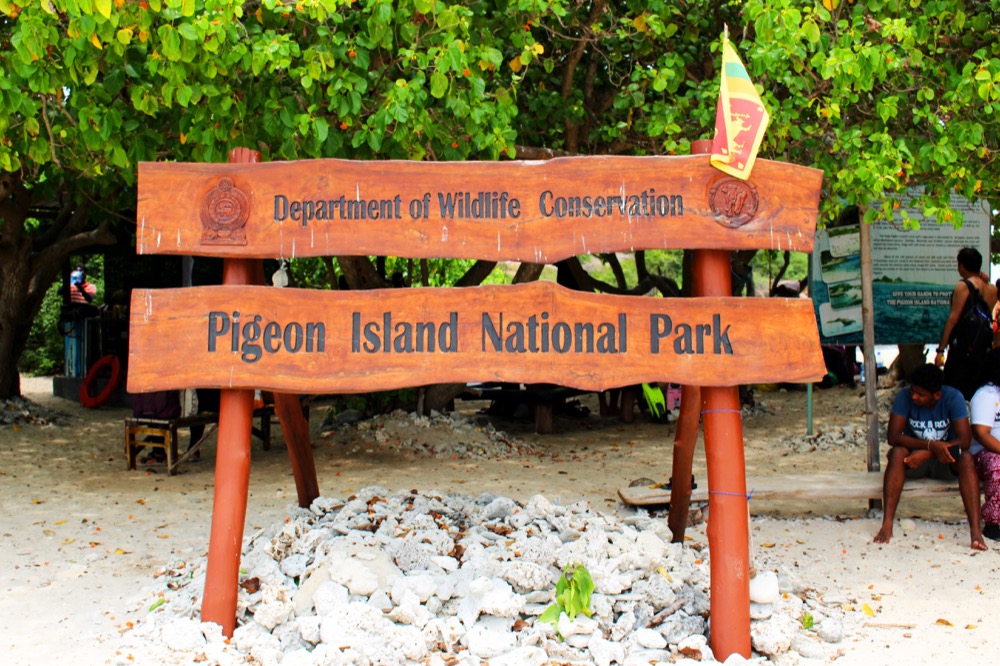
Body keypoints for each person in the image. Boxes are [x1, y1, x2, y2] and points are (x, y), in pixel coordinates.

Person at [873, 363, 986, 550]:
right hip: (914, 460)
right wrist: (930, 445)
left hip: (946, 460)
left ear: (937, 395)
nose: (914, 397)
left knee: (966, 457)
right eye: (913, 391)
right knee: (898, 453)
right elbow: (893, 437)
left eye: (921, 394)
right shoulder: (904, 397)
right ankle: (887, 524)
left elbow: (965, 441)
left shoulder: (953, 398)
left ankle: (975, 532)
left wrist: (929, 452)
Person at [935, 247, 997, 399]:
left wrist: (940, 350)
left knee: (952, 393)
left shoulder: (964, 286)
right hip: (982, 349)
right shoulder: (992, 289)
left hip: (962, 350)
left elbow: (953, 320)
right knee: (975, 392)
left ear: (962, 265)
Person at [969, 348, 1000, 541]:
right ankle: (993, 523)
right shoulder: (987, 395)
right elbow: (981, 433)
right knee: (998, 466)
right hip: (984, 454)